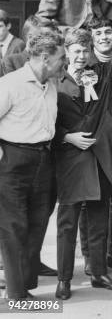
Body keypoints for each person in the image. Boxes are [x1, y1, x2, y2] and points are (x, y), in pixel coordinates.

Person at [54, 0, 112, 300]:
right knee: (67, 223)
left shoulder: (100, 73)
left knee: (99, 217)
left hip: (98, 157)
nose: (80, 57)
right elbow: (41, 121)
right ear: (65, 53)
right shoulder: (54, 81)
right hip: (69, 159)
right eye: (75, 52)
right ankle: (64, 279)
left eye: (84, 51)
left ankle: (99, 273)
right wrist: (66, 136)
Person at [0, 29, 65, 300]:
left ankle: (24, 283)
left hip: (43, 160)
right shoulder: (10, 84)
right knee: (13, 227)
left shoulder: (51, 86)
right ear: (44, 57)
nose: (65, 63)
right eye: (61, 57)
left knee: (38, 224)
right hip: (12, 161)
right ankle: (16, 294)